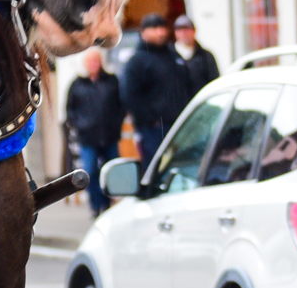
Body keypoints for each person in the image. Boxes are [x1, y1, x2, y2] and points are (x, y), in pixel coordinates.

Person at [120, 13, 191, 166]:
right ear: (143, 32)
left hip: (180, 125)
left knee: (183, 168)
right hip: (153, 130)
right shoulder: (136, 61)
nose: (160, 32)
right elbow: (129, 96)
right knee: (155, 170)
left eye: (162, 28)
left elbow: (186, 84)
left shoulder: (172, 55)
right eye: (155, 28)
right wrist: (150, 120)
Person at [65, 47, 125, 214]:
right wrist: (80, 125)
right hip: (88, 137)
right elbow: (70, 111)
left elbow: (121, 105)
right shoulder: (77, 84)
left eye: (96, 61)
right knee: (90, 171)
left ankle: (108, 204)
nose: (94, 64)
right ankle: (95, 204)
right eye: (90, 61)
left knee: (110, 171)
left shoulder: (112, 81)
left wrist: (116, 124)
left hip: (110, 135)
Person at [170, 14, 219, 97]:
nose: (184, 34)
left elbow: (214, 82)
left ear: (194, 31)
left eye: (187, 30)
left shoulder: (206, 56)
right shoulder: (169, 55)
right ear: (175, 33)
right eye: (179, 30)